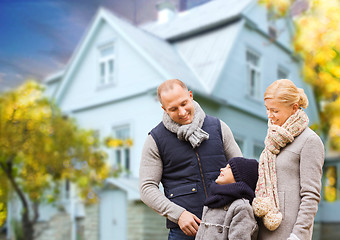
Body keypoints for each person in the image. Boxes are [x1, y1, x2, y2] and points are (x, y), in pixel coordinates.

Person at [139, 79, 242, 239]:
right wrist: (178, 215)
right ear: (164, 109)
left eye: (184, 103)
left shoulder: (218, 127)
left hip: (227, 226)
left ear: (191, 96)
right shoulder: (155, 140)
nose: (182, 112)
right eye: (173, 109)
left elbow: (240, 171)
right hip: (184, 233)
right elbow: (147, 188)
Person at [252, 79, 324, 240]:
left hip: (288, 234)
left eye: (275, 111)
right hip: (264, 230)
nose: (270, 115)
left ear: (294, 108)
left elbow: (311, 195)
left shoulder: (310, 141)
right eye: (267, 109)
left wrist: (298, 235)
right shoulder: (273, 139)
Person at [195, 157, 259, 240]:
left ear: (239, 177)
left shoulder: (241, 207)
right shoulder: (212, 202)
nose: (222, 169)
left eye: (229, 168)